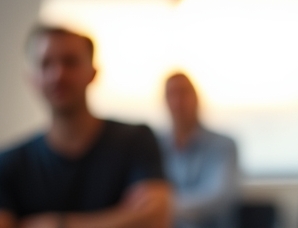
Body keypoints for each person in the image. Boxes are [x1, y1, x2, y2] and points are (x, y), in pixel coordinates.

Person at [0, 26, 170, 228]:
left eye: (70, 62)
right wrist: (123, 217)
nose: (58, 75)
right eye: (46, 64)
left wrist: (57, 224)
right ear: (32, 78)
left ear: (93, 73)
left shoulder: (135, 140)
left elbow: (155, 218)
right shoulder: (10, 163)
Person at [158, 73, 240, 228]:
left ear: (196, 98)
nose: (178, 102)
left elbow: (219, 198)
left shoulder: (223, 145)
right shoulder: (156, 146)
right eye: (171, 95)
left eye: (183, 93)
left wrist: (160, 208)